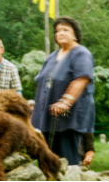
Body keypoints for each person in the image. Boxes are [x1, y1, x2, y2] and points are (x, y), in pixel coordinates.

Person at [31, 17, 95, 166]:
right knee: (46, 160)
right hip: (46, 117)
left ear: (75, 34)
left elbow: (82, 79)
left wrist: (65, 101)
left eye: (65, 29)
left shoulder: (81, 53)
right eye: (57, 30)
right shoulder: (51, 57)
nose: (60, 33)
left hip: (68, 118)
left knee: (68, 160)